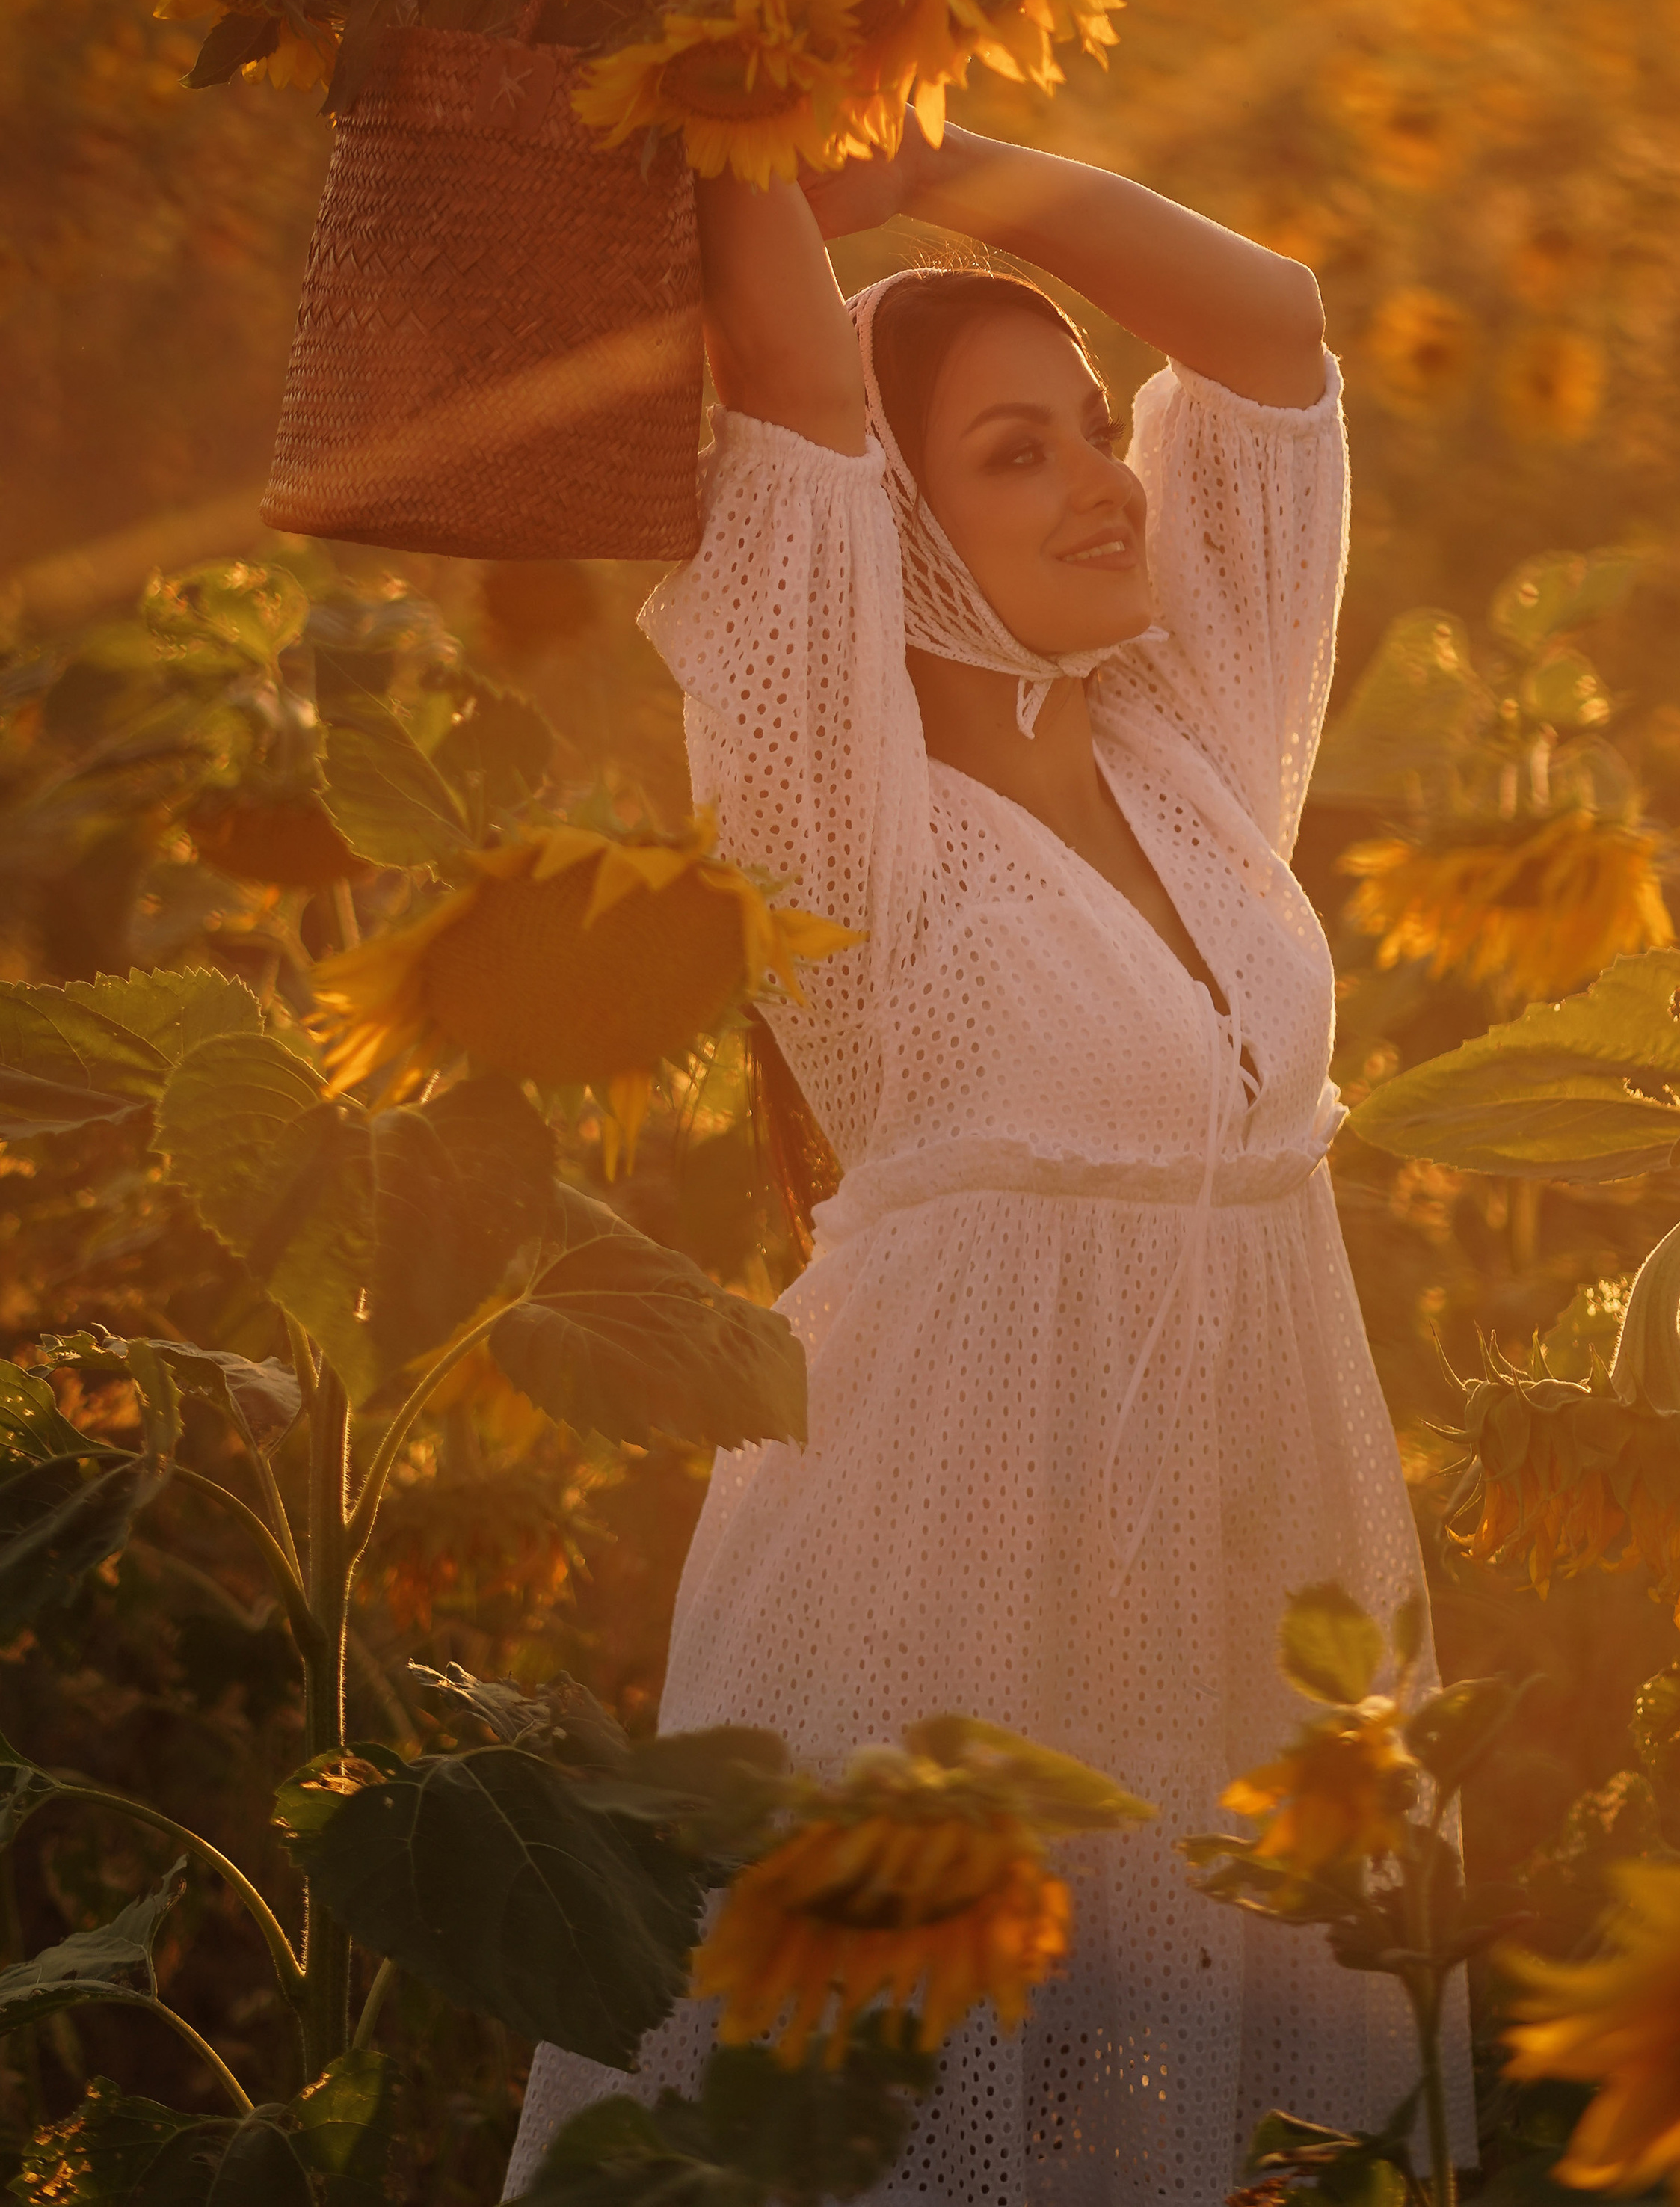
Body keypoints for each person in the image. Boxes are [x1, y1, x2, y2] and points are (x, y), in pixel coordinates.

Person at [503, 116, 1471, 2203]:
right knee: (909, 2128)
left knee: (1230, 2124)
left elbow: (1277, 340)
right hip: (934, 1593)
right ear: (903, 542)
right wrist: (738, 102)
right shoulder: (846, 835)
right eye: (1016, 455)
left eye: (1090, 430)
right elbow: (797, 409)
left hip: (1241, 1581)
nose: (1106, 480)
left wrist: (943, 160)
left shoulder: (1197, 751)